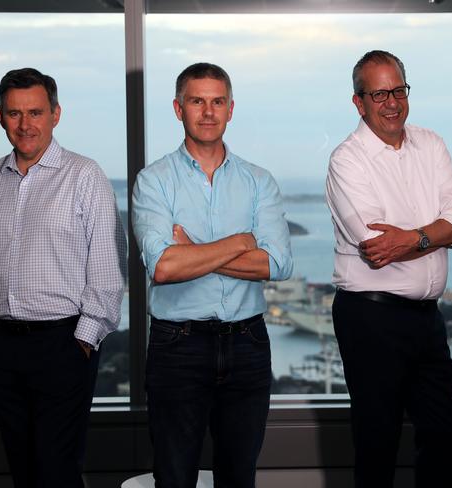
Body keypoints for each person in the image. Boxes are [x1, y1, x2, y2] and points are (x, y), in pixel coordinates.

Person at [132, 62, 292, 488]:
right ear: (178, 108)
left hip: (248, 343)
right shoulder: (154, 181)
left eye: (217, 101)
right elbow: (163, 267)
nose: (207, 111)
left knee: (239, 478)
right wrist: (241, 241)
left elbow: (276, 264)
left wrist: (193, 252)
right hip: (176, 346)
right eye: (196, 101)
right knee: (174, 477)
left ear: (231, 109)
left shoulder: (259, 181)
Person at [326, 50, 452, 488]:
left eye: (398, 90)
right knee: (378, 443)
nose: (392, 102)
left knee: (447, 434)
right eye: (379, 94)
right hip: (369, 317)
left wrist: (412, 238)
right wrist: (436, 232)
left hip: (426, 318)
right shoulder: (347, 160)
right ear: (359, 102)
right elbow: (375, 248)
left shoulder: (430, 144)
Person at [0, 68, 127, 488]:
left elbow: (109, 264)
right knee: (22, 468)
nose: (25, 125)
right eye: (14, 113)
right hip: (0, 344)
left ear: (56, 114)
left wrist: (83, 339)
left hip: (63, 344)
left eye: (36, 112)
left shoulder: (85, 175)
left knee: (56, 469)